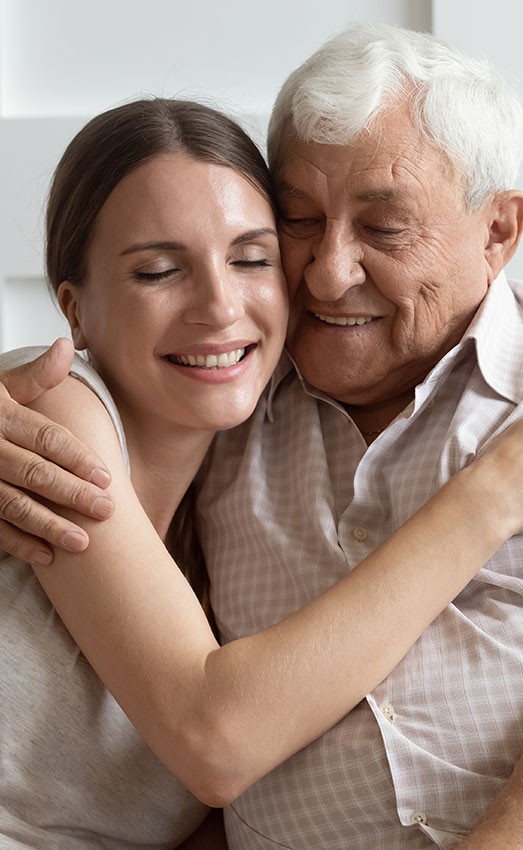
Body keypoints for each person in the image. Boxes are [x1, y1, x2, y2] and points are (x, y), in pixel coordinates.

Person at [0, 23, 523, 850]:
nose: (325, 272)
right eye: (299, 222)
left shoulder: (228, 404)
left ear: (497, 232)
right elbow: (214, 738)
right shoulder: (131, 404)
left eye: (383, 229)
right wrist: (493, 495)